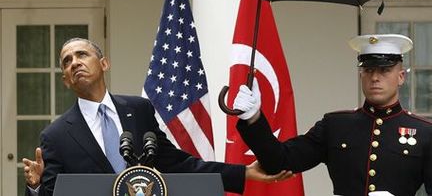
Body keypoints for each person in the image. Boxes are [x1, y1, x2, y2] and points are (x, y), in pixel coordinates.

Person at [22, 37, 291, 196]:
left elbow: (177, 163)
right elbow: (53, 192)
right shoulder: (55, 136)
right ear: (65, 80)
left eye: (82, 54)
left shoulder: (138, 110)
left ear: (104, 64)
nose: (75, 62)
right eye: (67, 61)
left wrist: (243, 173)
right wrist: (34, 187)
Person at [233, 34, 432, 196]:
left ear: (401, 77)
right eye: (368, 70)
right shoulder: (336, 125)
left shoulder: (425, 132)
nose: (375, 78)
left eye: (384, 70)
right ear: (361, 75)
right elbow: (279, 162)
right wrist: (252, 118)